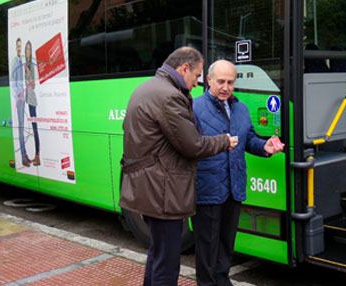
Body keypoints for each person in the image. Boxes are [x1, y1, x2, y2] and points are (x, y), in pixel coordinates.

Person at [119, 47, 238, 286]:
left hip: (148, 186)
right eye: (196, 76)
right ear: (184, 68)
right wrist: (224, 141)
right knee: (167, 263)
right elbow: (192, 145)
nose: (196, 84)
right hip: (163, 190)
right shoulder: (169, 96)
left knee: (157, 253)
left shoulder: (147, 87)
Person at [192, 60, 284, 286]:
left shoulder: (241, 108)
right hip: (207, 188)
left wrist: (264, 147)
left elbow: (248, 138)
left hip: (234, 188)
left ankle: (222, 280)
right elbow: (190, 146)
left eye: (230, 82)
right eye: (221, 81)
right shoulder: (194, 107)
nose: (225, 87)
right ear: (209, 80)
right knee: (207, 246)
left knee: (226, 243)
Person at [10, 38, 31, 167]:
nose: (19, 48)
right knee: (21, 128)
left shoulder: (20, 61)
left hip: (22, 98)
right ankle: (23, 156)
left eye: (20, 46)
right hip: (19, 99)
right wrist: (20, 95)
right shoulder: (14, 61)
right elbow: (13, 82)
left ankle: (25, 154)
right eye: (17, 46)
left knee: (23, 128)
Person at [24, 41, 40, 166]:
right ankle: (35, 155)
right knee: (32, 128)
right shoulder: (25, 64)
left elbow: (33, 85)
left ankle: (37, 155)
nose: (28, 51)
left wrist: (28, 72)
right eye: (27, 49)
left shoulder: (31, 66)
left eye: (30, 49)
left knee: (35, 128)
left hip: (32, 100)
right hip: (27, 99)